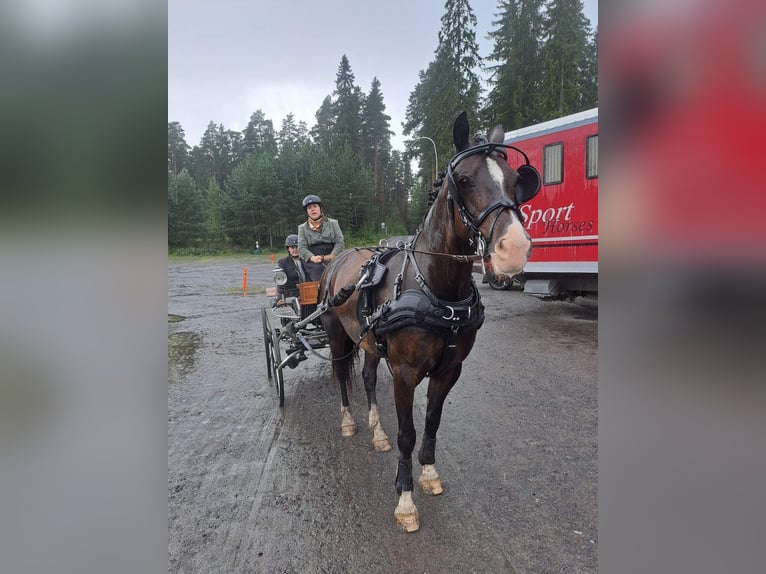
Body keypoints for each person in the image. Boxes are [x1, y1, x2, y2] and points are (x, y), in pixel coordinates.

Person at [297, 194, 345, 281]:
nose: (312, 209)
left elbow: (340, 242)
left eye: (315, 206)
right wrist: (313, 258)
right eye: (309, 208)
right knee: (318, 271)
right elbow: (301, 248)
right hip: (313, 261)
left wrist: (332, 256)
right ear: (307, 211)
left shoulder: (333, 223)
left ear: (320, 208)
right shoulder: (302, 228)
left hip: (333, 256)